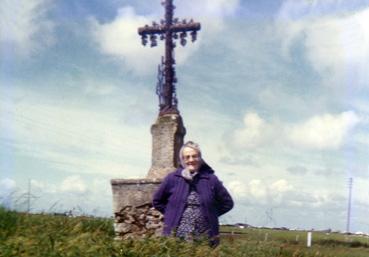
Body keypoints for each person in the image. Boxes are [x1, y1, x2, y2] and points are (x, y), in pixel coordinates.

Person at [152, 141, 234, 246]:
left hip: (205, 237)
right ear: (182, 160)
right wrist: (172, 213)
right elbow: (157, 201)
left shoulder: (211, 179)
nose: (191, 160)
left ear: (200, 158)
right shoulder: (172, 178)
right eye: (187, 157)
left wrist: (210, 213)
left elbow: (228, 203)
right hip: (177, 236)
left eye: (195, 156)